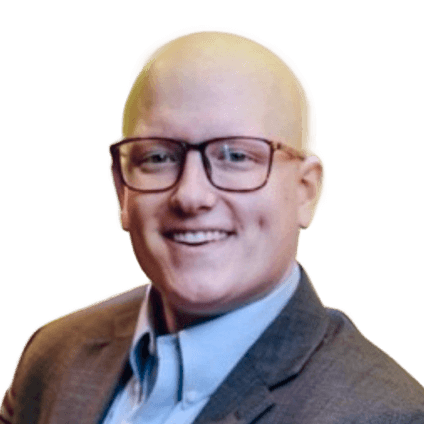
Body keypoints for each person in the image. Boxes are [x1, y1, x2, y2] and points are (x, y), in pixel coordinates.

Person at [1, 28, 424, 424]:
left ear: (306, 191)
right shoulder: (52, 355)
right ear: (121, 189)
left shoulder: (385, 414)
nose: (191, 195)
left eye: (236, 156)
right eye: (158, 157)